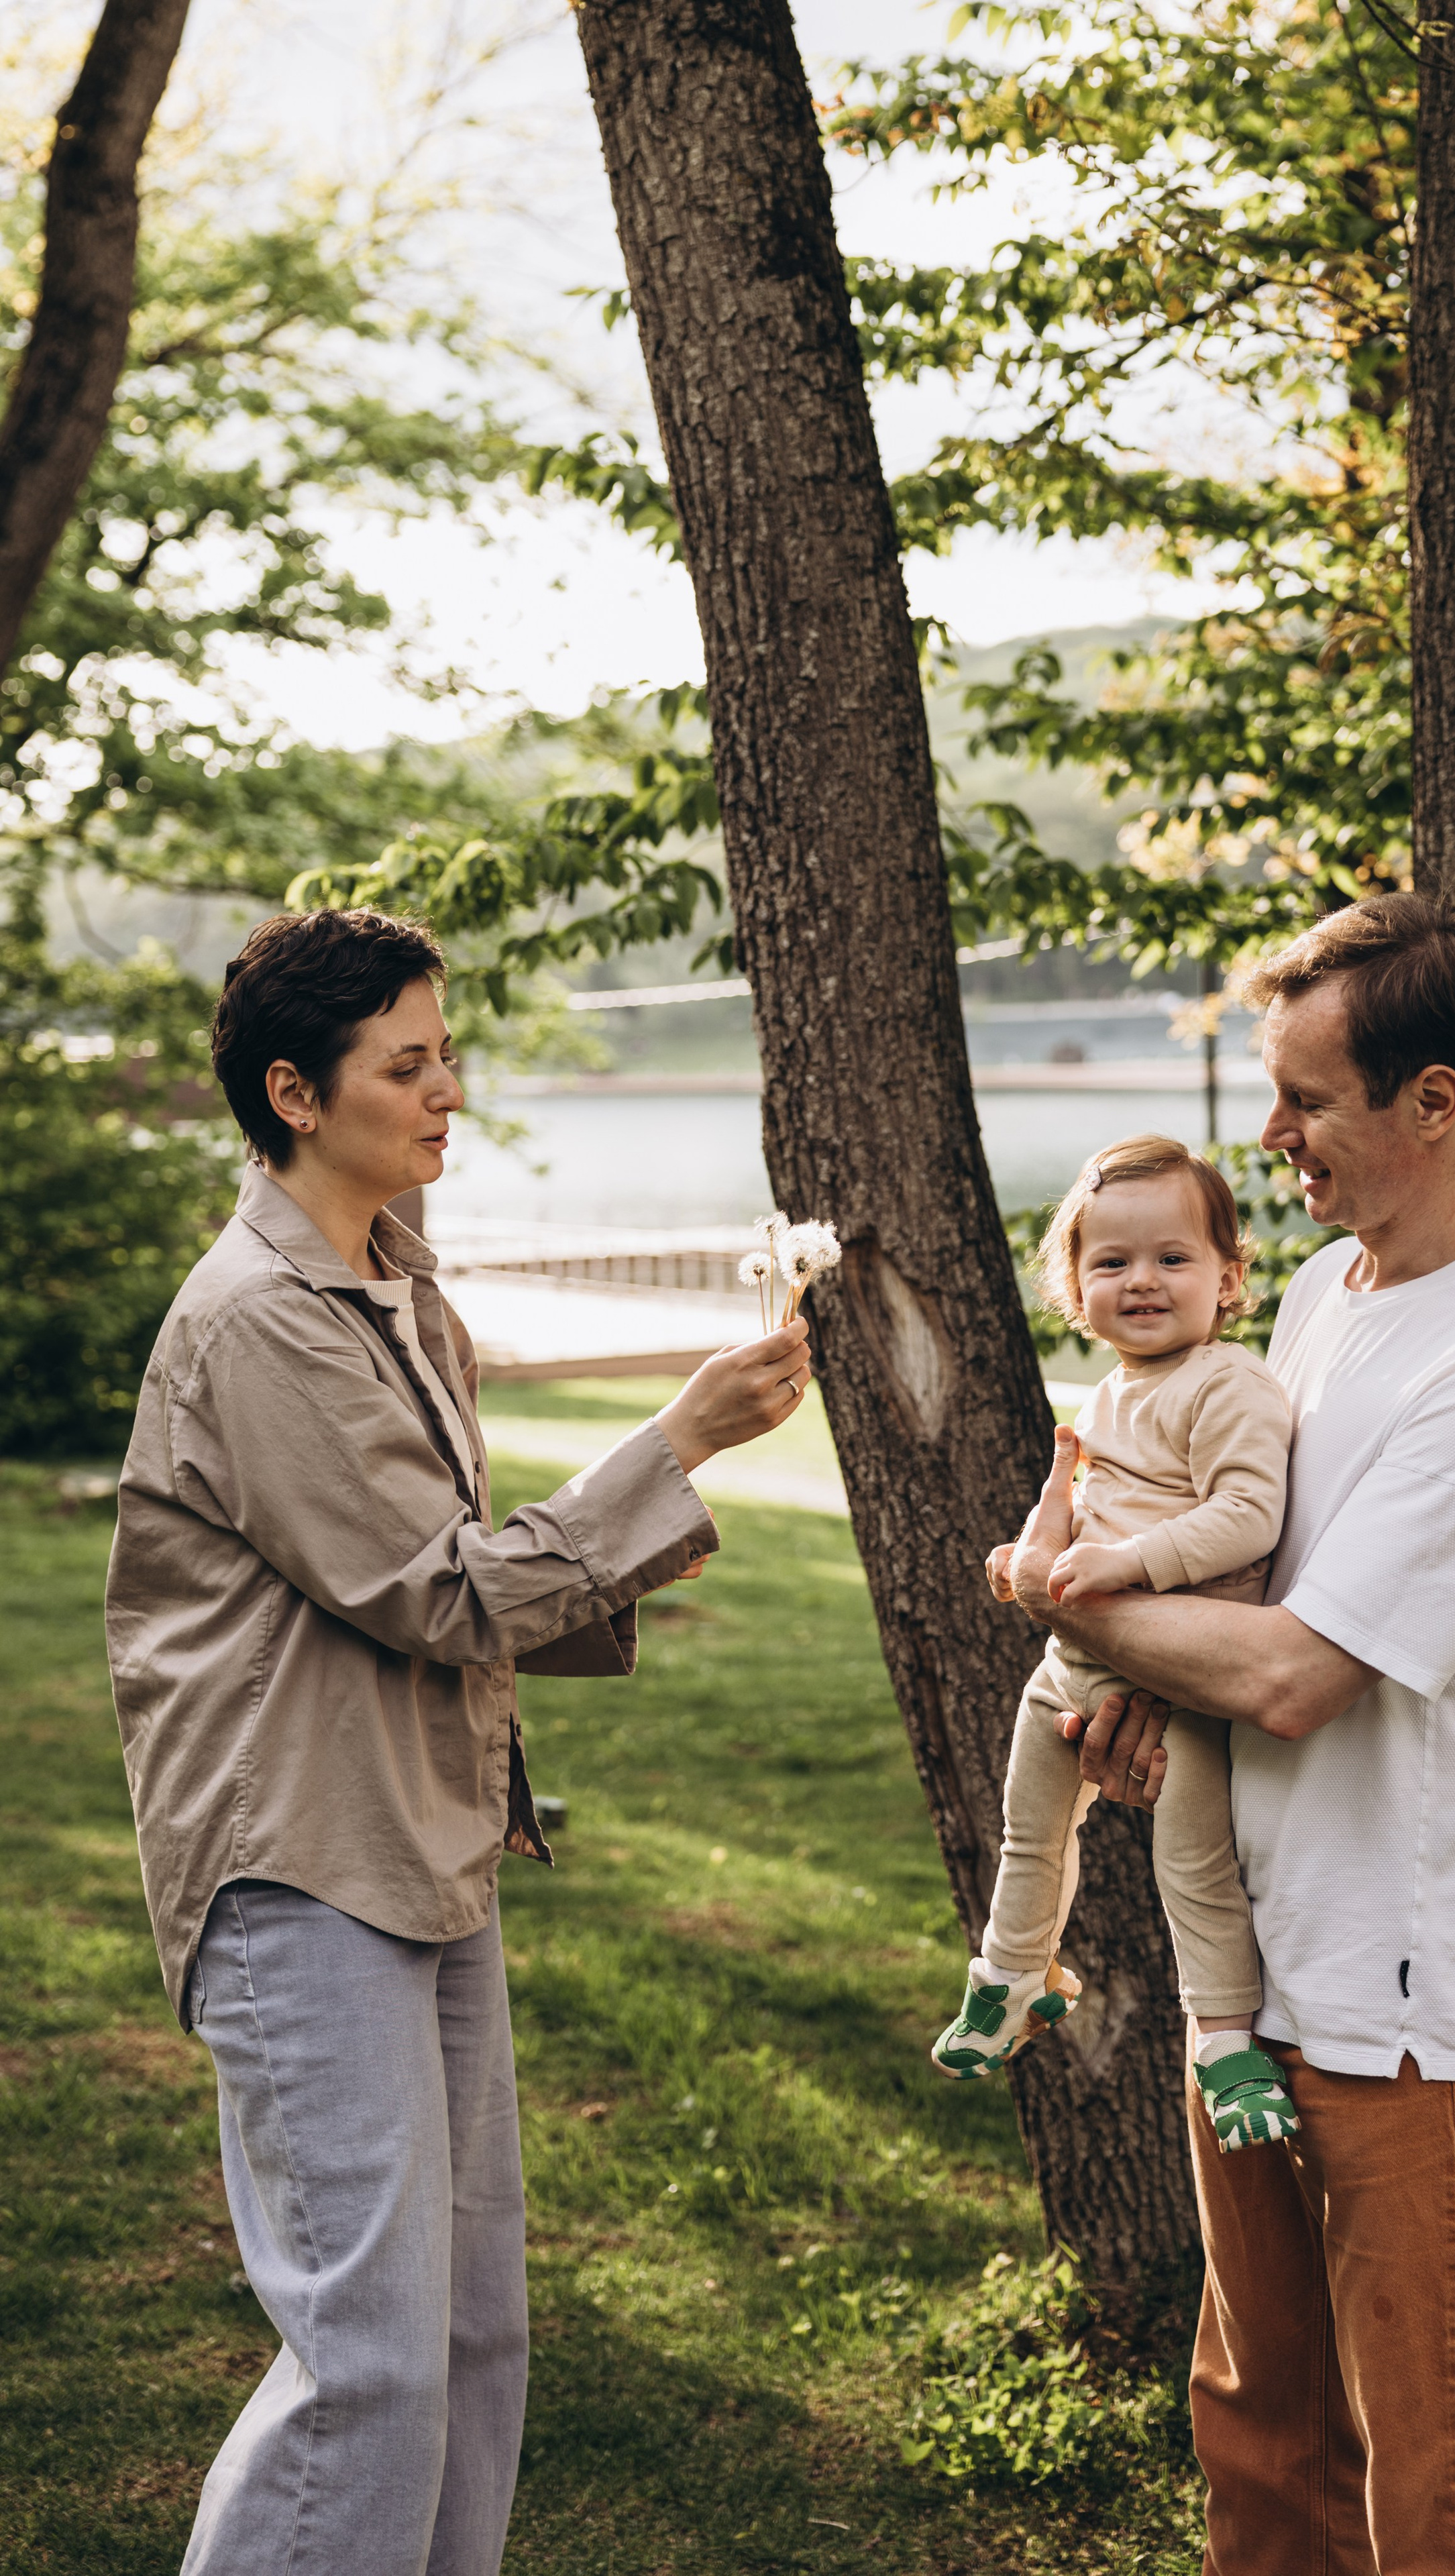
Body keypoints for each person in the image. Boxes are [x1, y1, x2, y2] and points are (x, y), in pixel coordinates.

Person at [105, 908, 812, 2576]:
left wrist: (641, 1530)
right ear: (293, 1091)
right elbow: (431, 1594)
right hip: (299, 1874)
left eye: (448, 1054)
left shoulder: (402, 1291)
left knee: (470, 2343)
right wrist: (678, 1443)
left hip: (429, 1850)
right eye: (406, 1065)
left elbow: (448, 1590)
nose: (450, 1093)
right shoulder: (258, 1321)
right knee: (367, 2369)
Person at [1004, 893, 1455, 2576]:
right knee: (1264, 2436)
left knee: (1442, 2488)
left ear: (1434, 1103)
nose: (1270, 1141)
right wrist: (1143, 1690)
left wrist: (1062, 1603)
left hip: (1399, 1992)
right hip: (1256, 1964)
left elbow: (1290, 1675)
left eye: (1305, 1103)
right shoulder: (1335, 1291)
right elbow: (1248, 1575)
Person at [932, 1135, 1299, 2156]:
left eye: (1173, 1259)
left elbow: (1248, 1518)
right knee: (1029, 1829)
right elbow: (1074, 1515)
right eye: (1112, 1262)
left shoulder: (1226, 1385)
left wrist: (1128, 1564)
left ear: (1229, 1280)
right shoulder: (1107, 1395)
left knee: (1195, 1865)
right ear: (1072, 1287)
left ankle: (1225, 2037)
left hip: (1184, 1685)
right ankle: (1014, 1973)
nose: (1142, 1281)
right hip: (1073, 1675)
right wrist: (1035, 1549)